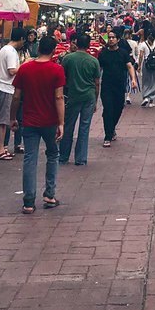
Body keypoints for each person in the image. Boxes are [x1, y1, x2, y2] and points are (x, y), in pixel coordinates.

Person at [11, 35, 65, 213]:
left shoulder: (25, 69)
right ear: (53, 50)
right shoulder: (57, 70)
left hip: (29, 120)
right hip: (49, 120)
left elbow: (17, 96)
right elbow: (58, 97)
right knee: (52, 155)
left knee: (30, 159)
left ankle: (28, 201)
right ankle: (49, 194)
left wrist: (13, 118)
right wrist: (61, 122)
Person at [59, 32, 101, 165]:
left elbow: (62, 77)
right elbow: (97, 82)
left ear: (77, 44)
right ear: (88, 45)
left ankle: (63, 156)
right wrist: (95, 99)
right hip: (89, 96)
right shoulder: (93, 61)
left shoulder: (68, 59)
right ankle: (81, 158)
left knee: (68, 125)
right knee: (84, 127)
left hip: (73, 96)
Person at [97, 29, 136, 146]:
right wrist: (96, 81)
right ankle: (107, 136)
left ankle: (111, 128)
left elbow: (129, 66)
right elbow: (99, 68)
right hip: (106, 86)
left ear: (118, 39)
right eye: (109, 37)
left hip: (119, 86)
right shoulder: (103, 53)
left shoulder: (123, 53)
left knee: (118, 109)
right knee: (108, 109)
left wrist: (133, 79)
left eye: (113, 37)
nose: (111, 39)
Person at [0, 27, 25, 161]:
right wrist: (25, 65)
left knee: (4, 120)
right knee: (2, 121)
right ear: (21, 39)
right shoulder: (11, 51)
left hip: (3, 87)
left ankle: (2, 149)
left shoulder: (5, 49)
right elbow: (12, 71)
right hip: (5, 88)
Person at [136, 24, 155, 107]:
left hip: (146, 64)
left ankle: (145, 97)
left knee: (145, 81)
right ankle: (151, 100)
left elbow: (141, 56)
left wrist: (139, 66)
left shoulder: (143, 44)